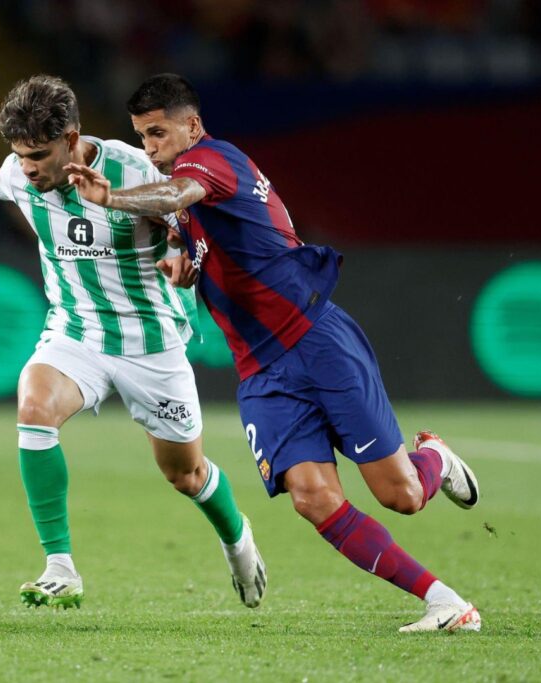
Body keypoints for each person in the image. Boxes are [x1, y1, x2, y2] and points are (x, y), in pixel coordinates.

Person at [66, 73, 481, 633]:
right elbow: (191, 230)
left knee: (402, 495)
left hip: (314, 340)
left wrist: (111, 195)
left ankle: (435, 459)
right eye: (142, 137)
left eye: (158, 133)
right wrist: (180, 263)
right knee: (311, 497)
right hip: (261, 372)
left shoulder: (213, 161)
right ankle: (444, 601)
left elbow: (178, 195)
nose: (150, 149)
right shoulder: (188, 185)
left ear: (191, 125)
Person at [0, 75, 266, 610]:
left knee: (186, 474)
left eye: (39, 154)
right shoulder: (22, 171)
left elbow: (186, 217)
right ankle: (60, 566)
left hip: (150, 341)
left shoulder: (133, 168)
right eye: (22, 154)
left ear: (73, 138)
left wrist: (181, 255)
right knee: (33, 404)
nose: (29, 167)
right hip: (75, 331)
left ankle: (237, 538)